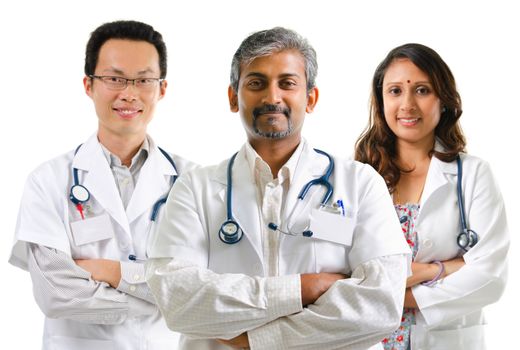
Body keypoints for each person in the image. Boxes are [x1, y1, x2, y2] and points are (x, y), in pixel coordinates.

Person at [146, 27, 410, 350]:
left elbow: (379, 306)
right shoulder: (194, 189)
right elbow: (178, 302)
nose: (272, 97)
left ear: (310, 98)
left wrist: (257, 340)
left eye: (287, 83)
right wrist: (302, 289)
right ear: (233, 97)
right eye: (256, 83)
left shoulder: (360, 184)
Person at [8, 20, 197, 350]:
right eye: (114, 78)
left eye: (144, 80)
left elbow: (206, 285)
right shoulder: (48, 181)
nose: (129, 93)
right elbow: (56, 294)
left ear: (162, 89)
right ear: (88, 84)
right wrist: (164, 300)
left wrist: (111, 272)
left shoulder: (194, 182)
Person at [355, 43, 509, 349]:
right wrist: (439, 269)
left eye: (422, 90)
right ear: (381, 100)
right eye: (395, 91)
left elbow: (491, 276)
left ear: (444, 99)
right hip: (366, 339)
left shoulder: (473, 175)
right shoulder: (357, 178)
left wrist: (399, 297)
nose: (407, 105)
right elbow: (335, 270)